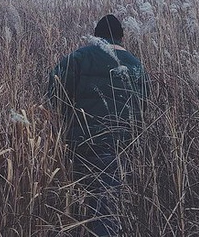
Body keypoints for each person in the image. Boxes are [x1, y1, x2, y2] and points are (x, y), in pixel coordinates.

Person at [48, 14, 149, 236]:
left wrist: (67, 118)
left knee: (76, 204)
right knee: (107, 206)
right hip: (120, 144)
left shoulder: (77, 58)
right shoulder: (136, 65)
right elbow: (144, 108)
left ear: (96, 37)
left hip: (79, 142)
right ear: (122, 37)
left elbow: (52, 93)